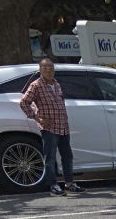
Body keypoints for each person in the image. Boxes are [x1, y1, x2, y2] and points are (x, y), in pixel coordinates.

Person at [19, 58, 83, 197]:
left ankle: (69, 183)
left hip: (63, 125)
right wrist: (37, 118)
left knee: (67, 156)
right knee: (50, 158)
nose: (48, 71)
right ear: (40, 70)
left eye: (51, 68)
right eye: (45, 68)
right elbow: (24, 102)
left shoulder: (56, 84)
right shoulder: (36, 85)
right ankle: (53, 185)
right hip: (49, 127)